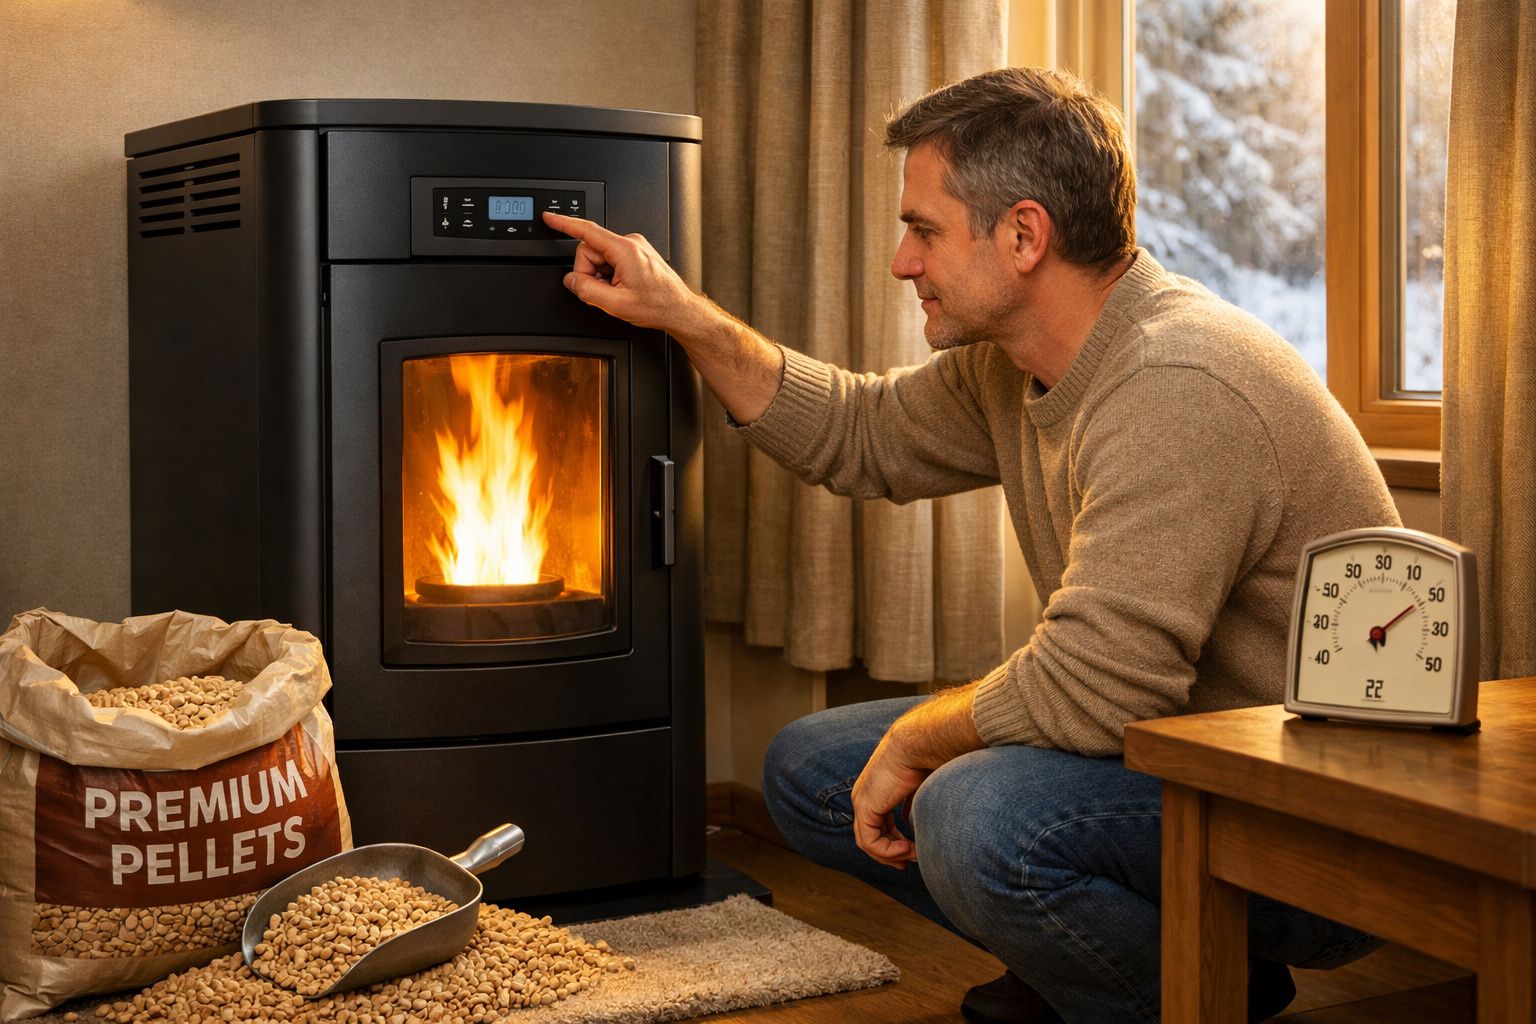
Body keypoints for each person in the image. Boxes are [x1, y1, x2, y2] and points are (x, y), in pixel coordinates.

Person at [543, 66, 1399, 1024]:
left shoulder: (1178, 382)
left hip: (1315, 826)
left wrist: (917, 738)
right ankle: (1162, 969)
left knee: (971, 811)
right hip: (1173, 759)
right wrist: (681, 313)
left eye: (925, 230)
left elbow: (1098, 689)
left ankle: (1182, 994)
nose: (902, 262)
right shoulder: (1014, 364)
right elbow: (860, 433)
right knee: (811, 769)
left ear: (1024, 236)